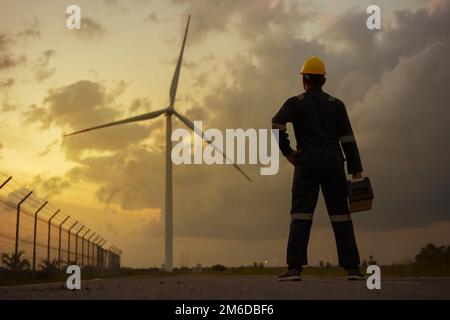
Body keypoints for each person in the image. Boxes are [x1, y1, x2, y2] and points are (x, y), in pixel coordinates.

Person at [272, 56, 364, 281]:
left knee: (301, 215)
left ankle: (294, 268)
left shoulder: (296, 103)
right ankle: (352, 268)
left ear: (304, 79)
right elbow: (348, 139)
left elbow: (276, 124)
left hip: (307, 165)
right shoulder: (337, 104)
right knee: (341, 216)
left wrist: (288, 152)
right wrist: (355, 168)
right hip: (333, 164)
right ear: (323, 80)